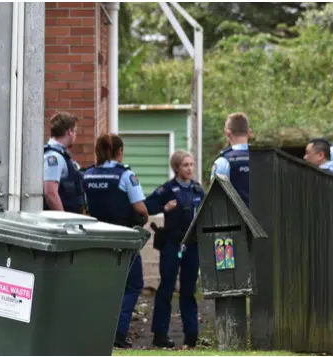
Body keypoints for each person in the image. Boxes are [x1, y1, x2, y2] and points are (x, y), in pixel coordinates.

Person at [82, 134, 149, 348]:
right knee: (132, 285)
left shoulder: (87, 175)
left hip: (96, 238)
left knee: (100, 286)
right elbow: (141, 211)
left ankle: (95, 330)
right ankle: (118, 333)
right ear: (119, 151)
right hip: (123, 240)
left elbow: (84, 209)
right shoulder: (125, 175)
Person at [145, 151, 205, 348]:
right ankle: (160, 334)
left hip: (191, 245)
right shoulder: (167, 190)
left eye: (191, 164)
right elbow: (147, 206)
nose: (189, 168)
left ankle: (191, 336)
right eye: (185, 165)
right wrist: (165, 208)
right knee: (167, 288)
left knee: (188, 290)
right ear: (176, 168)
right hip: (172, 244)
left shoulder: (197, 190)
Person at [43, 112, 86, 213]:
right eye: (75, 131)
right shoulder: (54, 157)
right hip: (60, 223)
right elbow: (50, 193)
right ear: (70, 131)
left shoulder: (59, 155)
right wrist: (64, 220)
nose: (75, 135)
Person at [211, 112, 251, 206]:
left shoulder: (223, 162)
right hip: (265, 219)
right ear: (249, 132)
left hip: (235, 219)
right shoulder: (265, 157)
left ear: (227, 132)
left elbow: (215, 197)